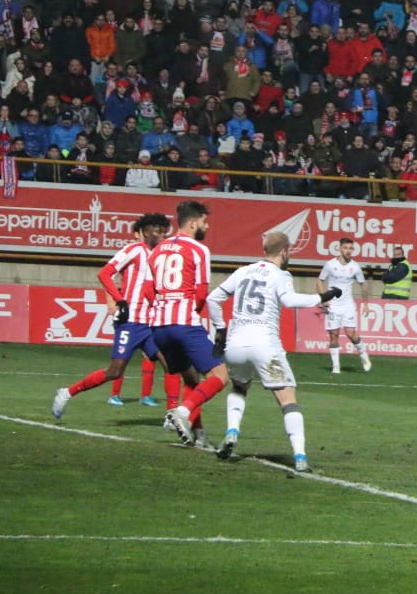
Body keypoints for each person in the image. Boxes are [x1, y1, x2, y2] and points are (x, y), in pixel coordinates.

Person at [205, 231, 342, 472]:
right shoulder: (281, 274)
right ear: (284, 252)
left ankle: (231, 433)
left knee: (239, 387)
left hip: (236, 345)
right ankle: (300, 457)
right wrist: (320, 297)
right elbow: (289, 301)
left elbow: (213, 299)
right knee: (288, 400)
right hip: (265, 345)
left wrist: (220, 329)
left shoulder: (242, 271)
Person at [52, 213, 181, 417]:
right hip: (130, 322)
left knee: (171, 364)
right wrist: (119, 299)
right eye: (157, 230)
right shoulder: (133, 250)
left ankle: (172, 415)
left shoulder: (162, 256)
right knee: (115, 371)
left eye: (164, 231)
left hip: (150, 323)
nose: (161, 234)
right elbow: (104, 273)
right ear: (145, 231)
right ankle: (67, 392)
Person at [156, 200, 231, 449]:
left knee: (190, 379)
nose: (206, 226)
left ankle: (197, 435)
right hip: (185, 322)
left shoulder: (157, 250)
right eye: (204, 222)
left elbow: (149, 290)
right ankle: (183, 411)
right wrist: (193, 315)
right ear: (192, 223)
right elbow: (201, 295)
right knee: (220, 376)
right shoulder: (199, 250)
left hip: (159, 326)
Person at [318, 237, 371, 373]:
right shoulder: (330, 264)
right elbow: (320, 281)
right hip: (333, 306)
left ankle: (363, 354)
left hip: (347, 305)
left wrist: (365, 303)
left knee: (350, 333)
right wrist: (323, 298)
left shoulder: (355, 267)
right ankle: (336, 366)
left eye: (350, 248)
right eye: (345, 248)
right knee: (333, 334)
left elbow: (363, 284)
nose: (348, 251)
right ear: (339, 248)